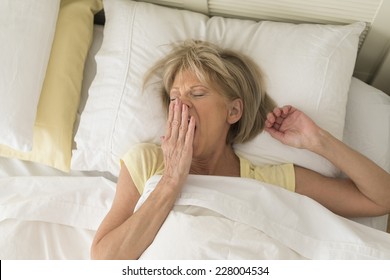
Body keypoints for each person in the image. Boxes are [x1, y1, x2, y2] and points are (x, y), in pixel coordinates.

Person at [90, 40, 390, 260]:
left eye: (197, 93)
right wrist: (170, 181)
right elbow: (105, 260)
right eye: (174, 98)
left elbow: (380, 199)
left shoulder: (269, 180)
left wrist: (319, 141)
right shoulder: (145, 161)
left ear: (233, 111)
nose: (182, 106)